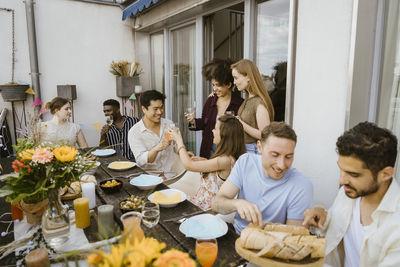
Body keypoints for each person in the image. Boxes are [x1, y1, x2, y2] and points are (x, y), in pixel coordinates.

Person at [303, 122, 400, 267]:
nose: (341, 181)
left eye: (353, 174)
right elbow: (334, 234)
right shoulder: (349, 193)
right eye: (341, 170)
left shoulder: (396, 225)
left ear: (385, 174)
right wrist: (321, 214)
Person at [212, 122, 313, 234]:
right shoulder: (245, 162)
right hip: (237, 235)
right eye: (275, 155)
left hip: (273, 245)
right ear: (259, 147)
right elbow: (216, 204)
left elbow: (293, 239)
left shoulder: (301, 185)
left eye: (288, 157)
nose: (281, 165)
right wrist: (237, 203)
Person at [169, 115, 246, 210]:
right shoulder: (229, 157)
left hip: (202, 210)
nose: (212, 131)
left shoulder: (224, 160)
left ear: (224, 134)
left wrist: (179, 141)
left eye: (215, 129)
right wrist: (206, 162)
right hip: (199, 202)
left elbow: (188, 165)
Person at [185, 58, 243, 158]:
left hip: (228, 154)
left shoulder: (239, 104)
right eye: (213, 85)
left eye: (218, 85)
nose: (214, 89)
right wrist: (192, 121)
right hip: (208, 151)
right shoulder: (210, 101)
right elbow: (203, 123)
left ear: (229, 84)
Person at [231, 59, 275, 153]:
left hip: (253, 150)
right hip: (244, 148)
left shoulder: (258, 102)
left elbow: (265, 135)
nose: (234, 82)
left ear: (248, 77)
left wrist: (241, 124)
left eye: (236, 78)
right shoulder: (248, 98)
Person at [128, 90, 176, 172]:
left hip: (171, 174)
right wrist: (156, 149)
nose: (160, 112)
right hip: (150, 178)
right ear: (144, 109)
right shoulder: (135, 132)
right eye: (155, 109)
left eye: (161, 108)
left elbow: (175, 147)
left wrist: (185, 153)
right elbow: (140, 161)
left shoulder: (169, 125)